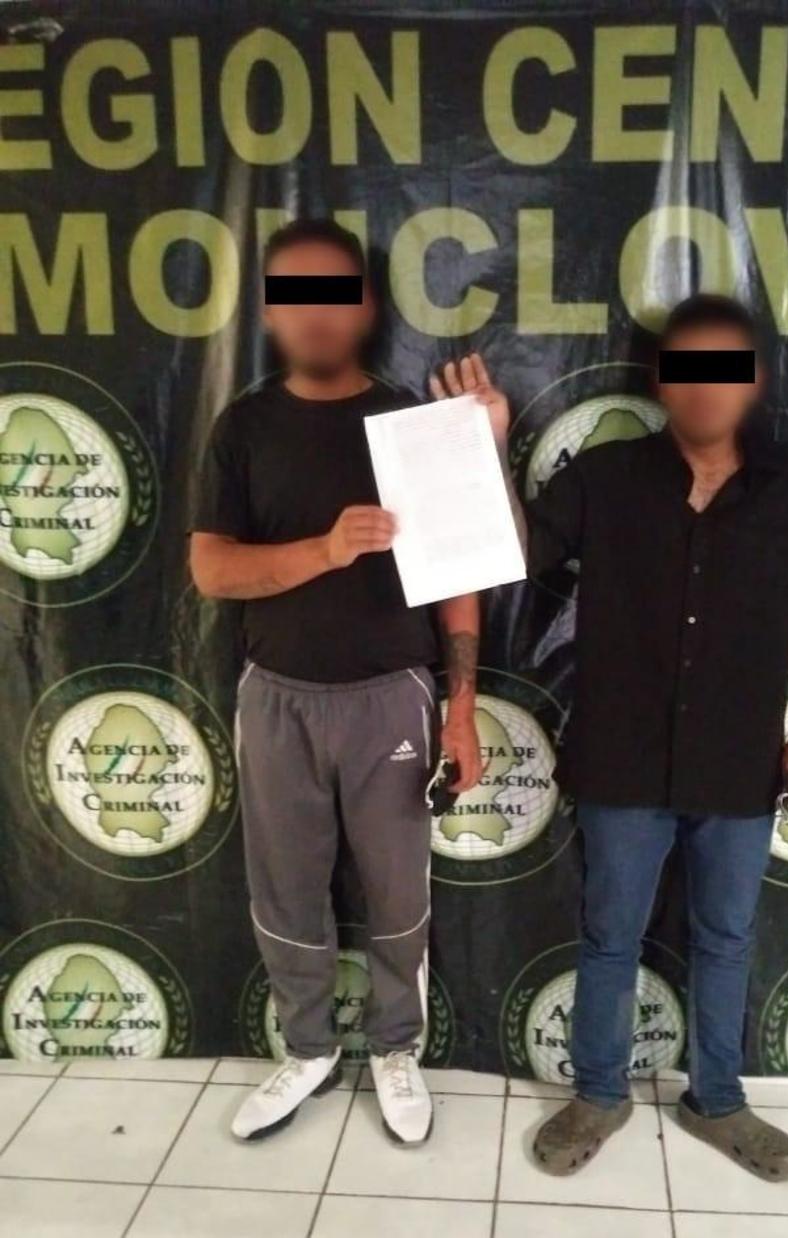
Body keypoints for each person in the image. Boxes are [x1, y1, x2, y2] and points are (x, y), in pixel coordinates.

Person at [430, 294, 788, 1181]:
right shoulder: (609, 475)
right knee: (610, 937)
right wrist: (487, 443)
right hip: (621, 758)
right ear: (662, 378)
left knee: (726, 939)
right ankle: (598, 1094)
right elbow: (511, 550)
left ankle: (719, 1101)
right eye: (688, 366)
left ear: (753, 380)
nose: (705, 386)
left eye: (724, 368)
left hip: (740, 762)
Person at [191, 218, 482, 1145]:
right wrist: (323, 549)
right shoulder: (243, 427)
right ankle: (308, 1048)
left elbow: (461, 577)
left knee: (397, 893)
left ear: (363, 306)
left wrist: (463, 709)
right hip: (277, 696)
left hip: (391, 694)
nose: (315, 314)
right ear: (270, 312)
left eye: (333, 293)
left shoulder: (411, 425)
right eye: (295, 294)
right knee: (285, 890)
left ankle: (396, 1048)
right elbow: (211, 570)